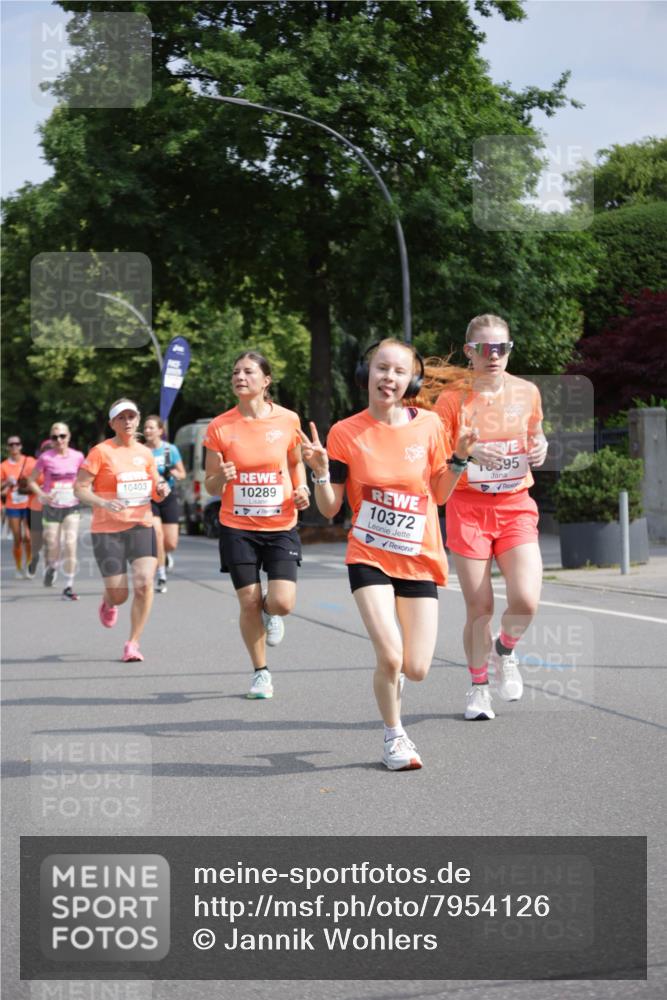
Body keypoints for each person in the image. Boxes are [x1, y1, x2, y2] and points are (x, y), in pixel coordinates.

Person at [299, 339, 477, 771]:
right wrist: (321, 471)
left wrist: (458, 459)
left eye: (399, 372)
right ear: (367, 373)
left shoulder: (431, 426)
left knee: (416, 668)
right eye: (382, 368)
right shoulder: (345, 432)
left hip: (418, 555)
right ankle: (394, 737)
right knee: (391, 655)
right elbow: (328, 508)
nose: (389, 378)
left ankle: (396, 698)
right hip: (369, 555)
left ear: (410, 380)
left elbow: (437, 494)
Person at [434, 314, 548, 721]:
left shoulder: (527, 391)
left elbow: (536, 434)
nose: (494, 356)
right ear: (469, 352)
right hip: (469, 508)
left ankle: (505, 650)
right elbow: (439, 456)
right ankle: (478, 687)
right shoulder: (452, 400)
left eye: (502, 348)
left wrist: (541, 448)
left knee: (526, 600)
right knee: (479, 606)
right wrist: (466, 455)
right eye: (485, 348)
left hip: (515, 504)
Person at [203, 351, 310, 699]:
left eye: (248, 371)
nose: (240, 377)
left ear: (266, 381)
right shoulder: (220, 426)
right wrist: (222, 476)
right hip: (237, 526)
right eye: (235, 372)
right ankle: (260, 672)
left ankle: (271, 612)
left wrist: (302, 487)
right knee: (248, 601)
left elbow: (295, 464)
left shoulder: (288, 420)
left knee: (281, 602)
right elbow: (209, 484)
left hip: (280, 523)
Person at [74, 398, 170, 662]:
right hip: (107, 530)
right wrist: (103, 502)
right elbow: (79, 489)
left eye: (131, 416)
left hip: (141, 525)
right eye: (121, 418)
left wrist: (162, 490)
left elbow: (156, 490)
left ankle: (133, 643)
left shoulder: (145, 453)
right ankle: (108, 601)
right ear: (112, 423)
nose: (127, 422)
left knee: (144, 583)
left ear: (138, 419)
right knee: (120, 594)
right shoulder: (101, 452)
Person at [27, 423, 85, 599]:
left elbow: (85, 478)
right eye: (55, 437)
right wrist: (42, 495)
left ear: (68, 437)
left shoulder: (78, 456)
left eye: (62, 436)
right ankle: (52, 567)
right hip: (52, 507)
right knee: (53, 544)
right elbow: (31, 481)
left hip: (72, 505)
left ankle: (68, 586)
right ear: (51, 439)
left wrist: (83, 491)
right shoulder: (45, 457)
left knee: (70, 543)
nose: (59, 440)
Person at [143, 415, 186, 594]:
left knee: (171, 542)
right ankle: (161, 575)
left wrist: (172, 473)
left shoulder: (170, 450)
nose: (147, 431)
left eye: (151, 427)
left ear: (160, 430)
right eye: (145, 428)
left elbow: (182, 473)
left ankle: (165, 555)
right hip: (150, 497)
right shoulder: (141, 451)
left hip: (168, 496)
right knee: (157, 535)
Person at [1, 436, 36, 577]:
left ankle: (28, 565)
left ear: (21, 446)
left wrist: (29, 481)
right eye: (11, 444)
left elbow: (38, 477)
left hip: (29, 502)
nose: (14, 446)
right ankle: (18, 567)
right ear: (8, 447)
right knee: (17, 538)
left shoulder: (30, 461)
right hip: (12, 505)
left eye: (17, 444)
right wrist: (6, 483)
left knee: (28, 536)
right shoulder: (3, 466)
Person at [26, 438, 51, 579]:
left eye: (50, 449)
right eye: (45, 450)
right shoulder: (34, 468)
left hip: (53, 509)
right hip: (35, 508)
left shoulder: (59, 467)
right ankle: (35, 557)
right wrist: (38, 489)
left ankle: (48, 570)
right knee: (36, 541)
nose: (48, 452)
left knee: (50, 540)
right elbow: (25, 486)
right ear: (40, 453)